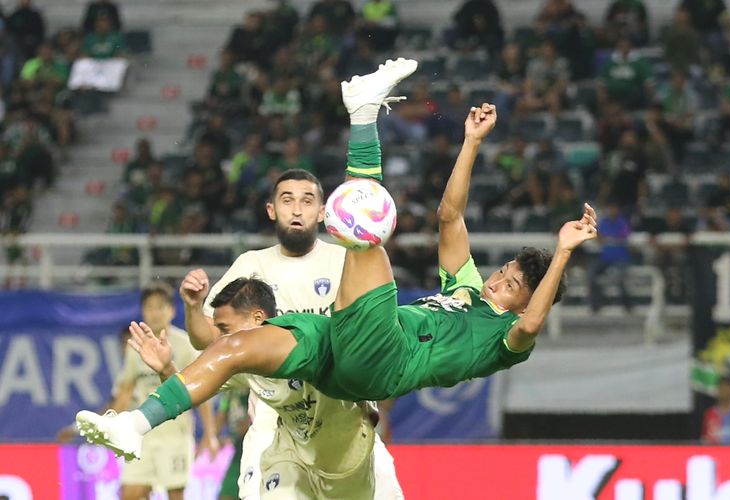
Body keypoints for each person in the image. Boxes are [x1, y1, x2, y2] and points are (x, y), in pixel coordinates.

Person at [77, 58, 598, 465]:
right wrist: (470, 144)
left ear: (520, 304)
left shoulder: (505, 340)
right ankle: (134, 426)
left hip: (386, 359)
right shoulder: (465, 290)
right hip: (340, 352)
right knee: (236, 346)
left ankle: (364, 116)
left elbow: (532, 321)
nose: (496, 282)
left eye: (508, 287)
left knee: (367, 234)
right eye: (502, 272)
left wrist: (563, 252)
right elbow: (449, 216)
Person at [132, 276, 399, 499]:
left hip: (349, 459)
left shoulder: (313, 344)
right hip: (293, 456)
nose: (222, 340)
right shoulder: (246, 367)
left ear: (258, 318)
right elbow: (192, 391)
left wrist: (377, 410)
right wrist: (166, 368)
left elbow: (382, 368)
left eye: (226, 329)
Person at [71, 283, 219, 500]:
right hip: (142, 435)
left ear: (172, 311)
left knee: (175, 495)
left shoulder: (185, 345)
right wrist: (107, 425)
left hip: (174, 436)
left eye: (160, 307)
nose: (155, 312)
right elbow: (125, 391)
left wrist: (210, 434)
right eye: (149, 307)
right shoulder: (136, 348)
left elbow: (201, 393)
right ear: (142, 311)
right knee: (130, 493)